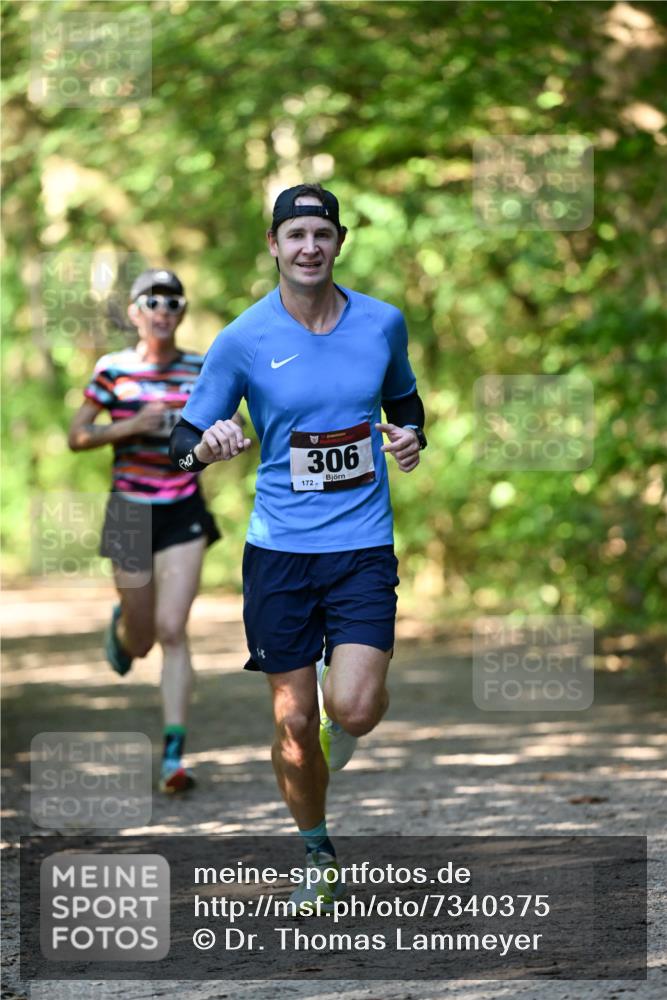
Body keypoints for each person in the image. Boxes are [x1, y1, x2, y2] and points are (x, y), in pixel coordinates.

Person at [170, 185, 427, 906]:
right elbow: (182, 440)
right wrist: (208, 445)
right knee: (290, 720)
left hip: (362, 545)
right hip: (279, 550)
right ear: (274, 245)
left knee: (354, 710)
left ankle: (340, 726)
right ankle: (316, 852)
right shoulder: (244, 338)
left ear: (338, 241)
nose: (308, 246)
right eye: (295, 235)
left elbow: (404, 404)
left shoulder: (381, 323)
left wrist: (411, 437)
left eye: (321, 233)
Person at [69, 268, 239, 794]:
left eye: (172, 301)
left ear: (181, 312)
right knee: (142, 640)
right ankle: (124, 625)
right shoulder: (113, 370)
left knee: (172, 629)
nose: (163, 310)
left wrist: (219, 436)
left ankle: (173, 755)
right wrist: (130, 426)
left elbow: (222, 424)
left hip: (182, 508)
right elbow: (77, 435)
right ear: (137, 311)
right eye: (152, 301)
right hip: (127, 512)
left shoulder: (200, 366)